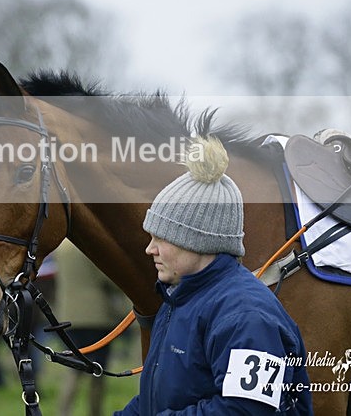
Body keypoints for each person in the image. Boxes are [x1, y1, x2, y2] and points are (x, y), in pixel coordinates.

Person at [115, 137, 313, 415]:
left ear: (198, 240)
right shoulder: (177, 301)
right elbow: (157, 400)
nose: (150, 249)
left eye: (162, 237)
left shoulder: (248, 317)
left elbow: (246, 411)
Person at [54, 241, 128, 416]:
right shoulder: (90, 245)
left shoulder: (61, 247)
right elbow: (105, 277)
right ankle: (95, 412)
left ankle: (63, 412)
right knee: (97, 371)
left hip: (68, 316)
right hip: (97, 316)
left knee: (73, 369)